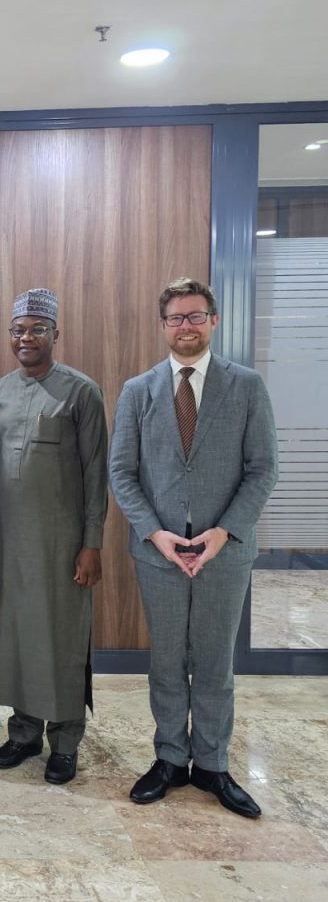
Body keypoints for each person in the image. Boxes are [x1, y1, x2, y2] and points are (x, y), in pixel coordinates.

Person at [109, 277, 278, 818]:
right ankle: (169, 759)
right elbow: (122, 472)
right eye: (176, 318)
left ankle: (211, 764)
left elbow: (262, 469)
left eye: (196, 316)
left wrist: (224, 531)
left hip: (223, 551)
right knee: (165, 660)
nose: (186, 326)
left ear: (214, 321)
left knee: (214, 662)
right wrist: (153, 532)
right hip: (158, 552)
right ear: (163, 326)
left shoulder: (245, 386)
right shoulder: (138, 390)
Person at [0, 288, 108, 784]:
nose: (26, 338)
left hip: (63, 543)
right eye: (18, 330)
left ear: (56, 333)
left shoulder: (81, 392)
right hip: (10, 540)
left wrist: (92, 543)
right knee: (18, 635)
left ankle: (66, 741)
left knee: (62, 637)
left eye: (37, 329)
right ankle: (24, 732)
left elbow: (96, 473)